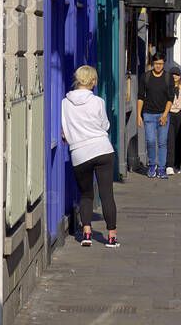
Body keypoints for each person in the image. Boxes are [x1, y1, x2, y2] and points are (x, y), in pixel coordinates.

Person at [62, 65, 120, 248]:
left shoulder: (65, 102)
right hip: (102, 149)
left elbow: (65, 129)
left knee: (86, 194)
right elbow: (105, 125)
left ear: (77, 80)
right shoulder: (97, 101)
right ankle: (111, 237)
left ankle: (86, 233)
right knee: (106, 195)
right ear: (93, 81)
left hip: (79, 153)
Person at [137, 53, 174, 179]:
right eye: (157, 63)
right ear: (153, 64)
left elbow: (170, 98)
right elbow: (140, 97)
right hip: (148, 114)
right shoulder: (145, 77)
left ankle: (162, 169)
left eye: (161, 64)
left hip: (163, 115)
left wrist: (165, 115)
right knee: (151, 141)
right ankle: (152, 165)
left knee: (162, 142)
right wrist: (138, 115)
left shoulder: (168, 77)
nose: (159, 66)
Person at [165, 67, 181, 175]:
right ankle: (169, 165)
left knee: (180, 141)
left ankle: (177, 165)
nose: (175, 76)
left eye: (177, 74)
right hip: (170, 114)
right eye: (173, 74)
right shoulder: (166, 85)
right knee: (170, 140)